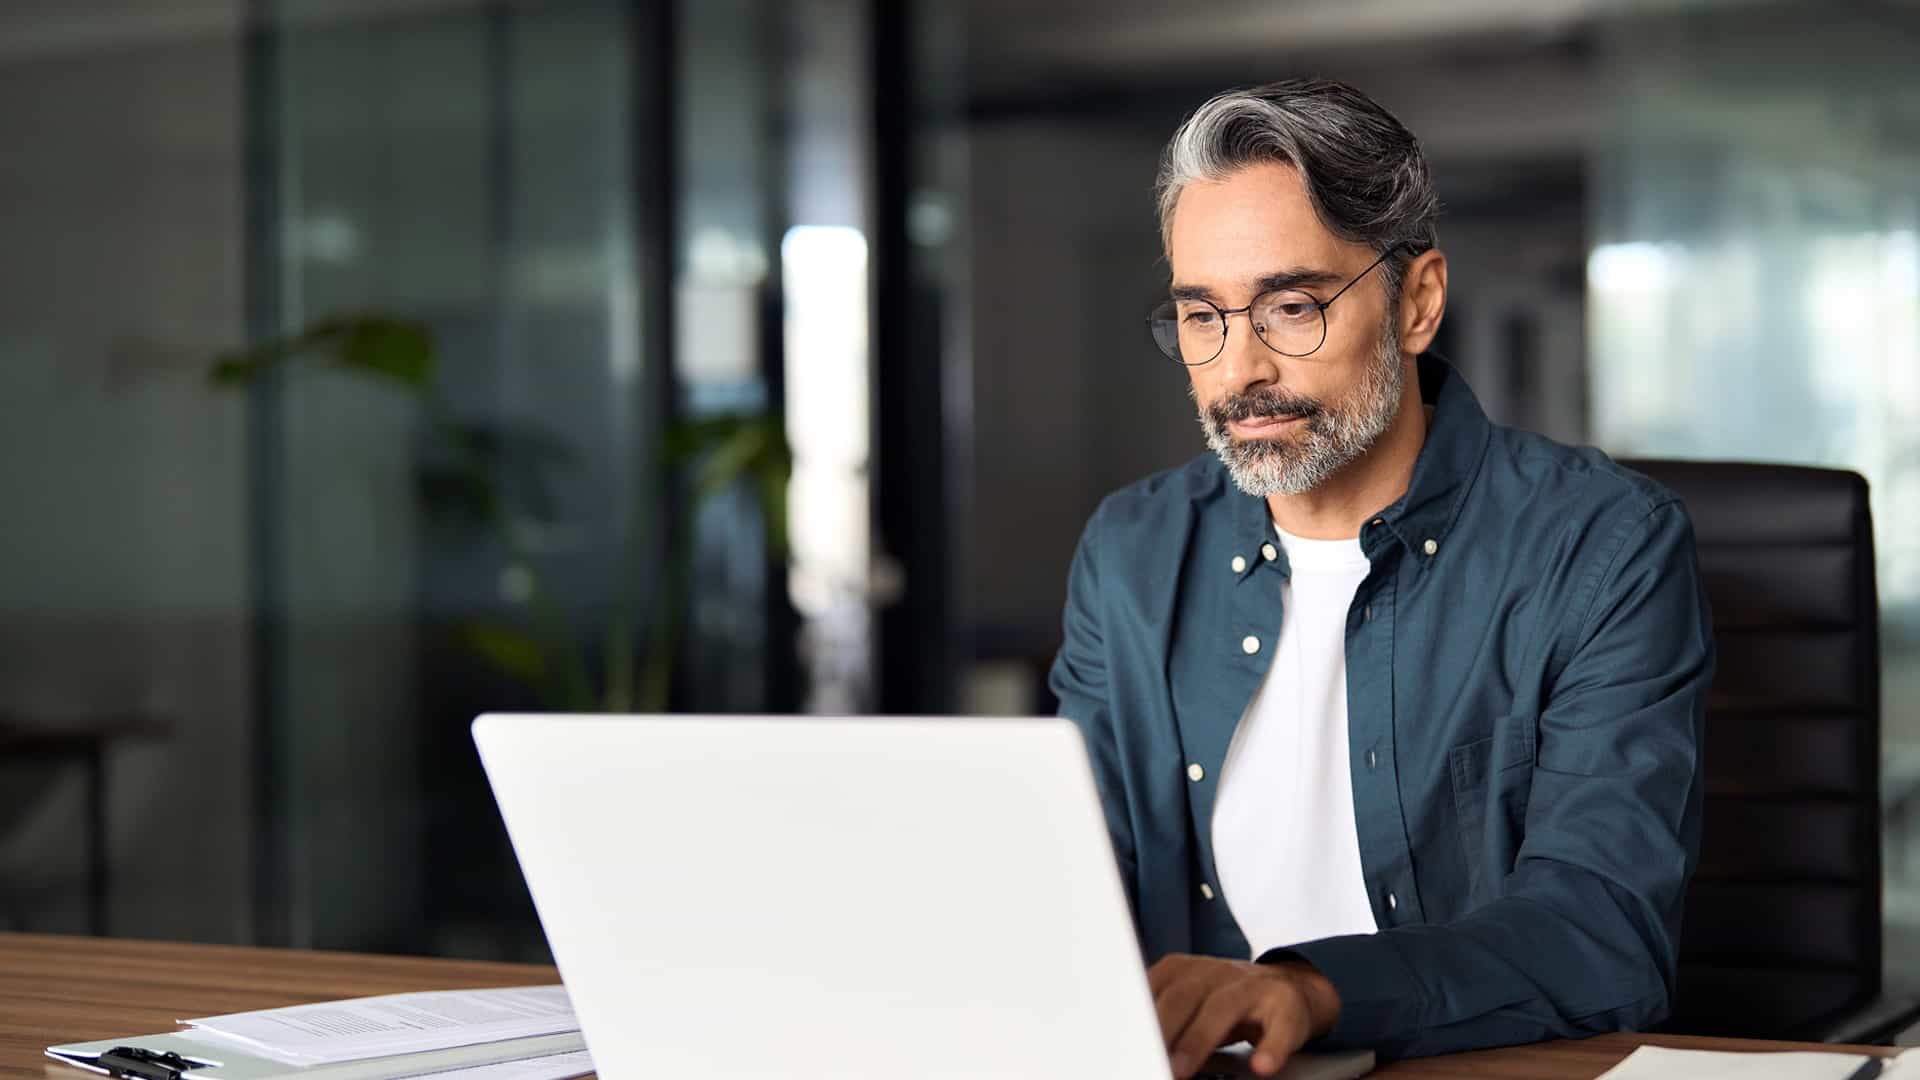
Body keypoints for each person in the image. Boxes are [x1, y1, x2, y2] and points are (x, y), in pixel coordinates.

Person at [1049, 79, 1714, 1078]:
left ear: (1417, 302)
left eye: (1291, 306)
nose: (1239, 370)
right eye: (1202, 317)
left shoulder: (1603, 548)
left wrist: (1312, 993)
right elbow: (1067, 881)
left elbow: (1603, 933)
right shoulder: (1132, 551)